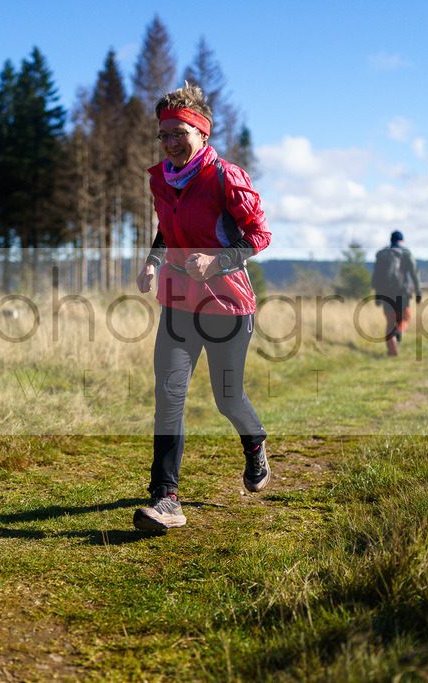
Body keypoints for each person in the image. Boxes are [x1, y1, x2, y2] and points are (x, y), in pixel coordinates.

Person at [132, 83, 271, 531]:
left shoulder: (225, 177)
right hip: (178, 301)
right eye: (164, 134)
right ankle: (166, 498)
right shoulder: (161, 179)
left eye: (180, 133)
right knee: (169, 395)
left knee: (227, 398)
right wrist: (152, 262)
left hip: (226, 303)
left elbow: (259, 235)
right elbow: (166, 228)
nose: (171, 142)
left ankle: (255, 442)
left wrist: (216, 261)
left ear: (202, 133)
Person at [372, 231, 421, 357]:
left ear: (391, 240)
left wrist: (377, 295)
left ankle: (392, 351)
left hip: (385, 293)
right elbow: (414, 272)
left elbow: (376, 276)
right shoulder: (405, 253)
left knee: (390, 321)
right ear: (401, 240)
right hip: (402, 292)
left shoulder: (382, 254)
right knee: (405, 317)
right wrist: (418, 291)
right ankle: (398, 333)